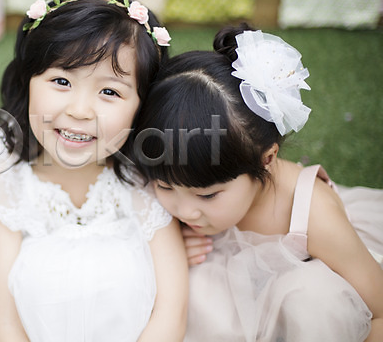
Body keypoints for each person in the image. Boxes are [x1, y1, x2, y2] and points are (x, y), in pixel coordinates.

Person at [125, 24, 383, 341]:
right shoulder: (168, 179)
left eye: (206, 196)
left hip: (302, 299)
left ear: (266, 159)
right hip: (227, 289)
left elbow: (380, 311)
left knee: (314, 300)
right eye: (164, 187)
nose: (185, 211)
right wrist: (173, 246)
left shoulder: (313, 214)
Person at [0, 0, 188, 342]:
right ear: (28, 82)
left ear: (143, 105)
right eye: (61, 81)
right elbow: (7, 321)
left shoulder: (147, 181)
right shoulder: (3, 184)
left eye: (109, 91)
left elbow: (172, 311)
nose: (79, 110)